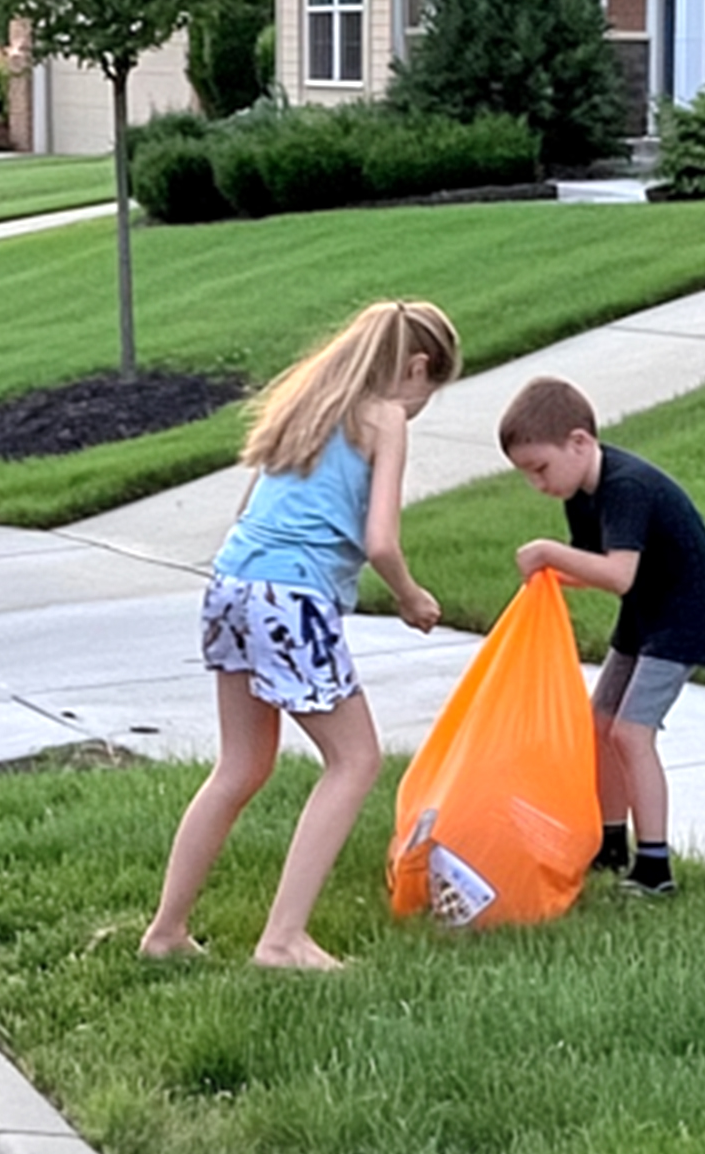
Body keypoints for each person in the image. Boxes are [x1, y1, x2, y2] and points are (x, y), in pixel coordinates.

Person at [139, 300, 462, 970]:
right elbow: (380, 541)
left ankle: (166, 932)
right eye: (430, 392)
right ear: (417, 367)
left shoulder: (307, 402)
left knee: (241, 764)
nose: (422, 406)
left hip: (231, 584)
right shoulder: (386, 417)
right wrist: (411, 596)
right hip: (293, 599)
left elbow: (245, 509)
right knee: (356, 761)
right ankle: (283, 940)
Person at [497, 376, 705, 897]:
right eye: (527, 474)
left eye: (540, 468)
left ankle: (654, 868)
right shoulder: (580, 493)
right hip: (646, 608)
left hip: (684, 612)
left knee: (630, 732)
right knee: (599, 723)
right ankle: (610, 843)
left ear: (579, 442)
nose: (538, 483)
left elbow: (617, 572)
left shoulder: (626, 486)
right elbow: (597, 567)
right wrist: (552, 577)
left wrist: (550, 555)